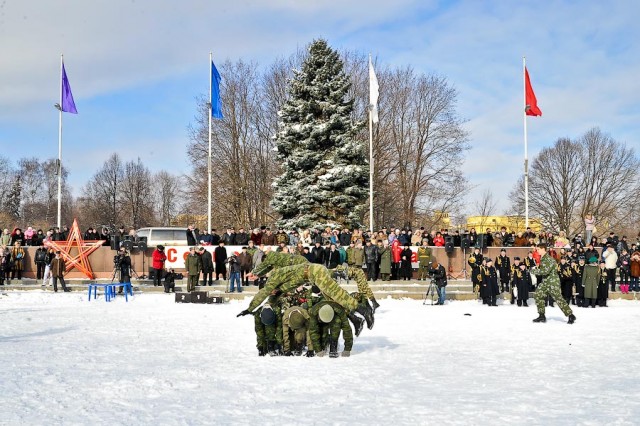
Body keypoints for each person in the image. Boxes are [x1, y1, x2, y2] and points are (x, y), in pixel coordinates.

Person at [531, 244, 576, 323]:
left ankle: (571, 315)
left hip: (552, 282)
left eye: (538, 249)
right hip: (545, 281)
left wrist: (533, 271)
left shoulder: (549, 259)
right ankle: (541, 315)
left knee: (558, 299)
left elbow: (545, 271)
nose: (537, 251)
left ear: (543, 249)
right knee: (538, 295)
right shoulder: (543, 258)